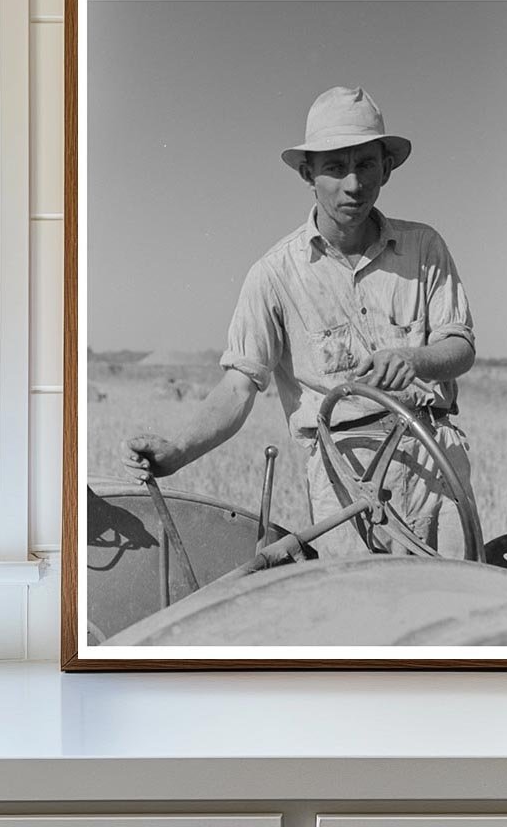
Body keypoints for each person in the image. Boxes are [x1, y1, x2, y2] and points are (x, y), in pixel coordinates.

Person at [121, 85, 478, 559]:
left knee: (463, 614)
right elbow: (238, 387)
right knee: (358, 620)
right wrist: (177, 452)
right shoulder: (274, 274)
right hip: (343, 478)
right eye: (334, 167)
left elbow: (460, 346)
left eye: (366, 164)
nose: (353, 184)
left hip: (436, 460)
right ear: (308, 173)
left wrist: (415, 359)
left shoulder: (425, 247)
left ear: (386, 168)